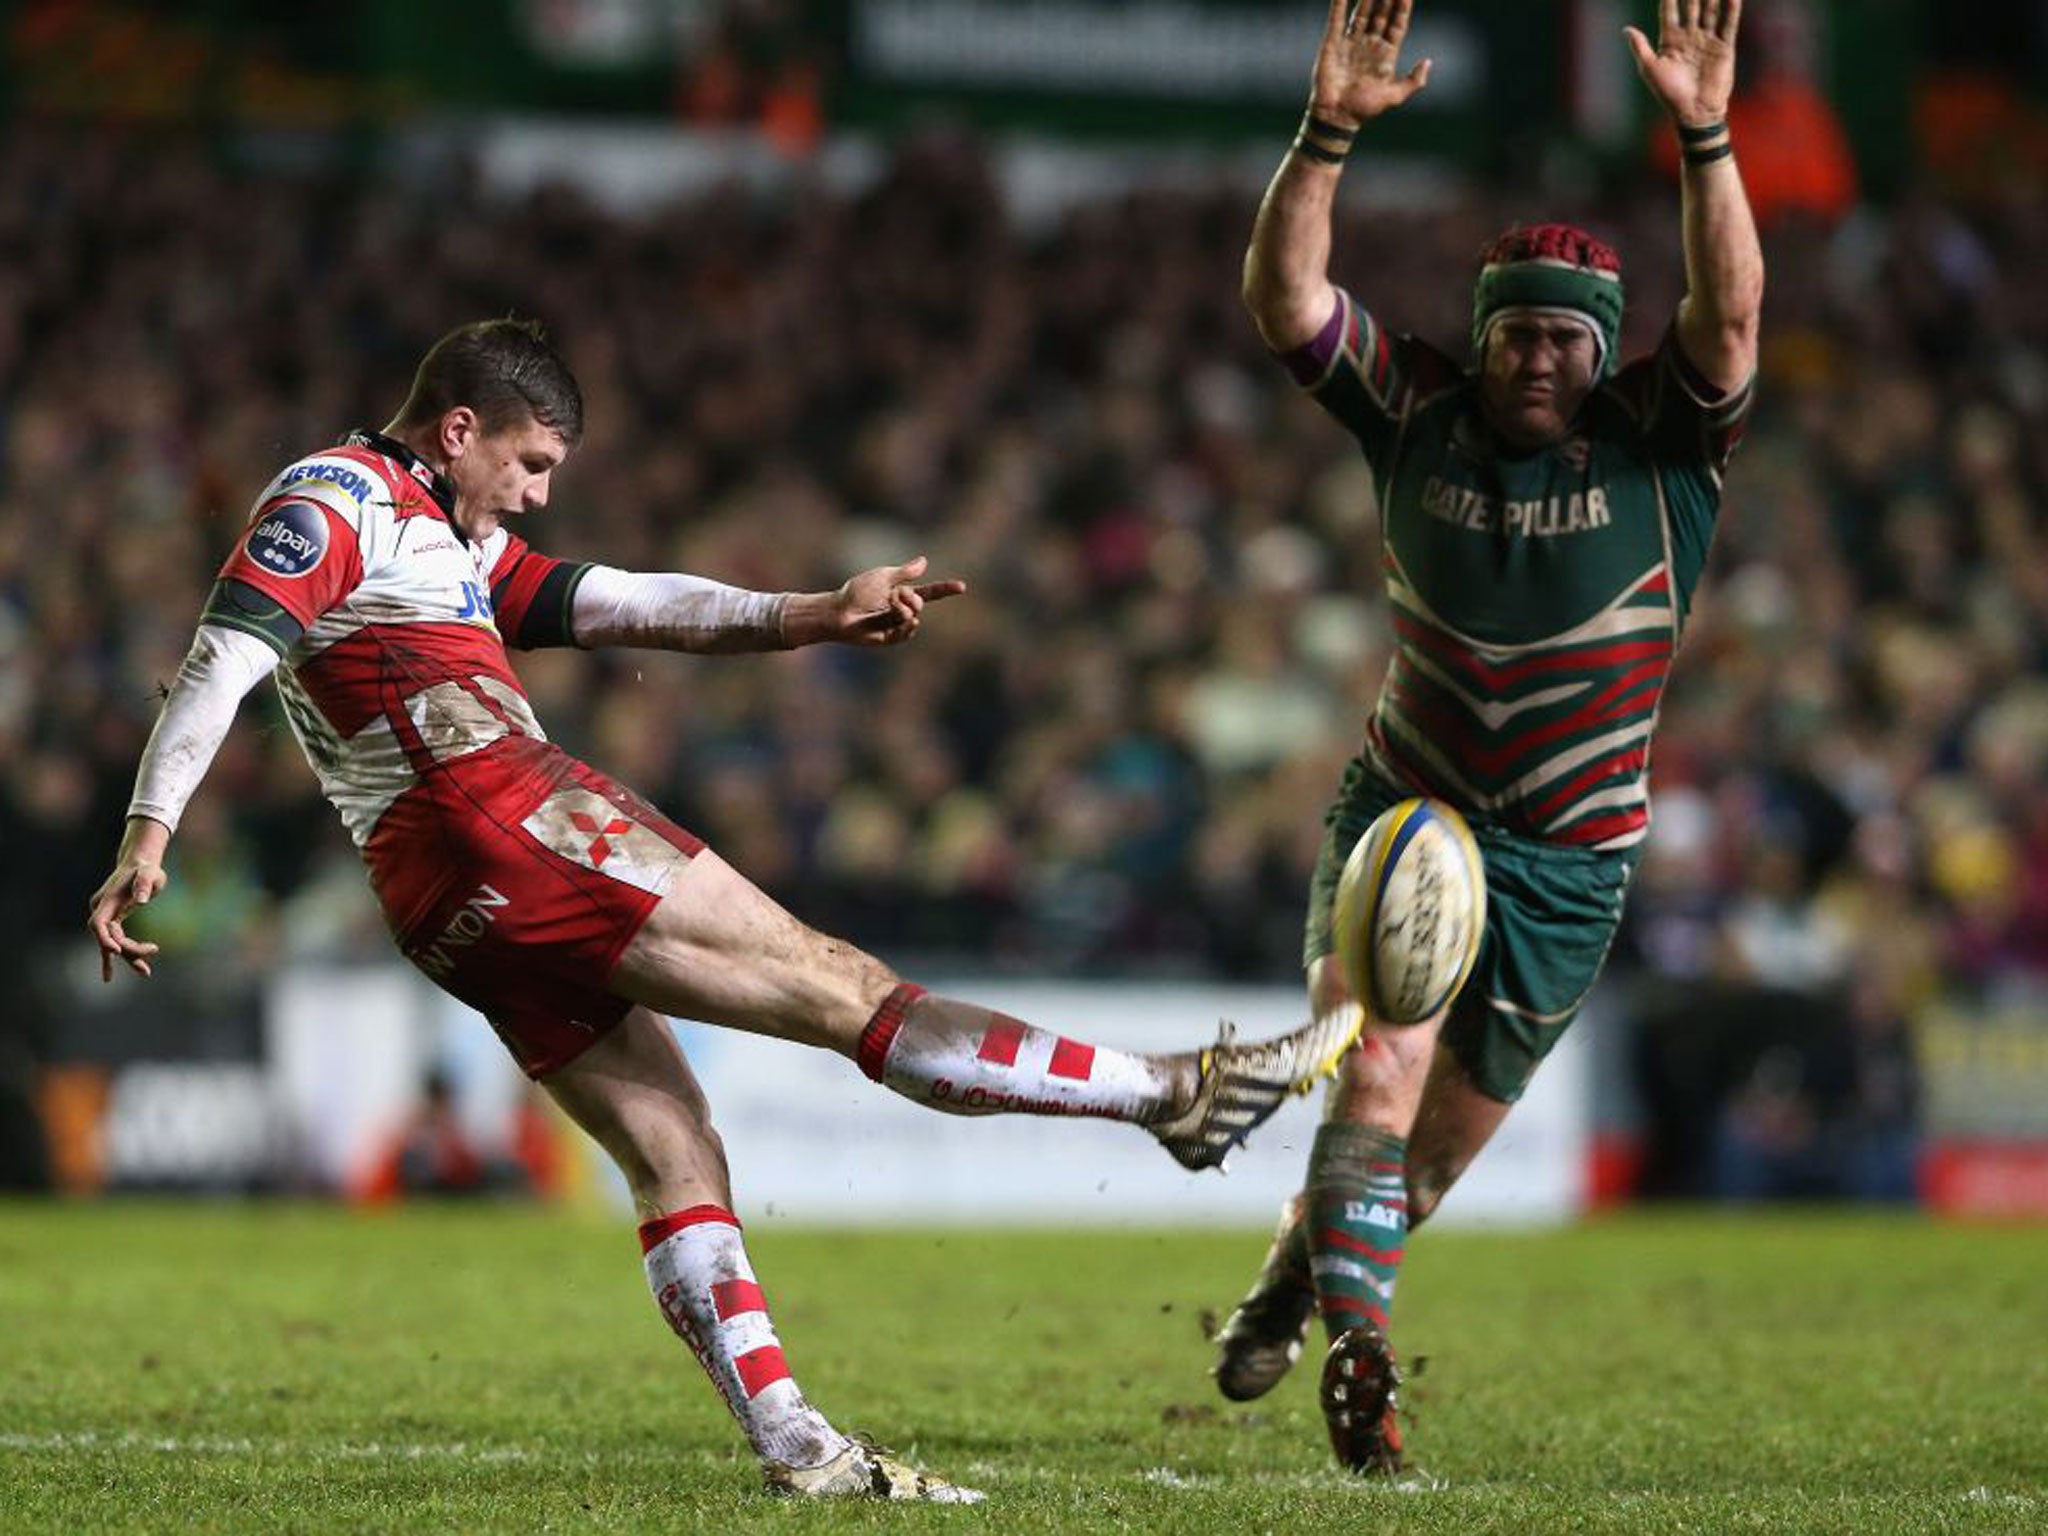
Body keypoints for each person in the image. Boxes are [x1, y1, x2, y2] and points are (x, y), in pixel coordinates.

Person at [86, 319, 1361, 1502]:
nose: (538, 494)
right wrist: (150, 835)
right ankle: (1173, 1097)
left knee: (675, 1152)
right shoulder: (339, 503)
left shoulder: (444, 534)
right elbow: (227, 652)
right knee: (843, 988)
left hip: (434, 897)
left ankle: (798, 1449)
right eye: (529, 464)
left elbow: (625, 601)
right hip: (511, 815)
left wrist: (809, 613)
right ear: (459, 428)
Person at [1212, 0, 1763, 1474]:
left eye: (1562, 338)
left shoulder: (1666, 446)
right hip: (1412, 813)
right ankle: (1366, 1364)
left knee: (1433, 1155)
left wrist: (1707, 139)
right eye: (1512, 330)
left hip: (1574, 863)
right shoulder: (1416, 413)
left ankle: (1290, 1284)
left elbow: (1733, 315)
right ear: (1481, 335)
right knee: (1374, 1080)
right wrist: (1326, 133)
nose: (1533, 357)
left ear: (1602, 352)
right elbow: (1285, 300)